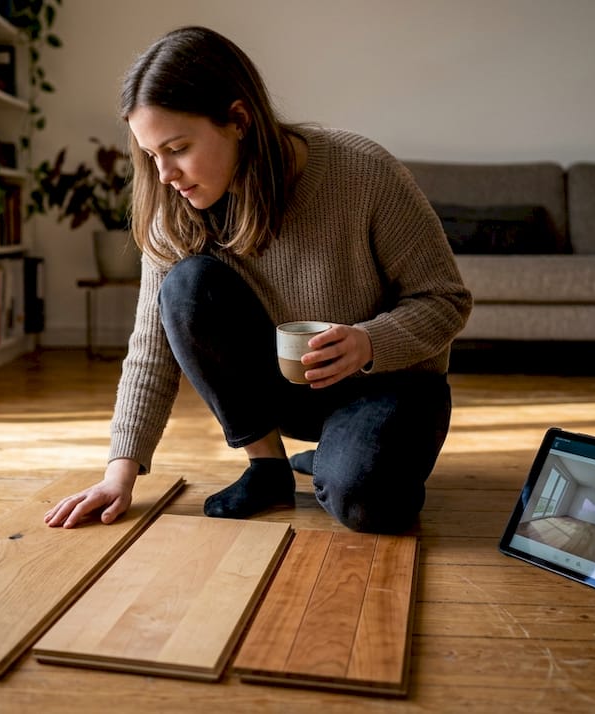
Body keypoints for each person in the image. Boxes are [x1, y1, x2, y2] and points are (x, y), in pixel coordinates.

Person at [44, 26, 472, 534]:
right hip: (287, 395)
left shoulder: (363, 172)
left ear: (239, 119)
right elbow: (151, 349)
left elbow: (446, 299)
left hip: (391, 385)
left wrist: (368, 342)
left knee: (369, 504)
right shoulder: (174, 212)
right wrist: (119, 475)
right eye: (151, 155)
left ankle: (342, 457)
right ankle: (267, 468)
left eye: (177, 148)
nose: (165, 175)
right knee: (186, 286)